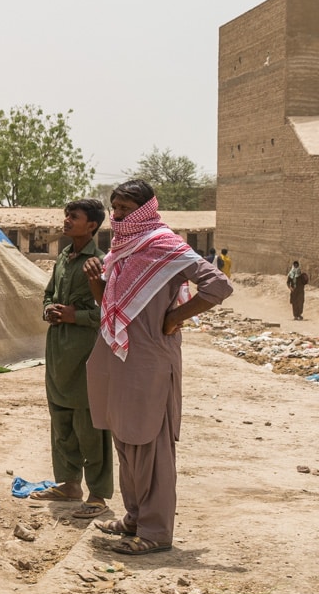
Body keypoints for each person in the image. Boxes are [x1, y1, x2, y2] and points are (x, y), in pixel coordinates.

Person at [85, 180, 232, 556]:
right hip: (120, 354)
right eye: (115, 207)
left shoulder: (164, 245)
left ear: (145, 210)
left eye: (126, 208)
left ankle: (156, 531)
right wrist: (94, 284)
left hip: (149, 356)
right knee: (125, 438)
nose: (118, 215)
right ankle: (135, 516)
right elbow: (113, 307)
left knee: (150, 442)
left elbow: (217, 285)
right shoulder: (121, 248)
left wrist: (176, 317)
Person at [40, 199, 114, 520]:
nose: (67, 220)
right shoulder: (63, 259)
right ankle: (69, 484)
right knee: (61, 420)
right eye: (66, 215)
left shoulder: (101, 263)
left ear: (93, 226)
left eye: (75, 217)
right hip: (58, 352)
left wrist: (75, 315)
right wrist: (49, 310)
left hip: (86, 353)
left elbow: (109, 313)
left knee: (90, 425)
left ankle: (98, 493)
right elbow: (48, 294)